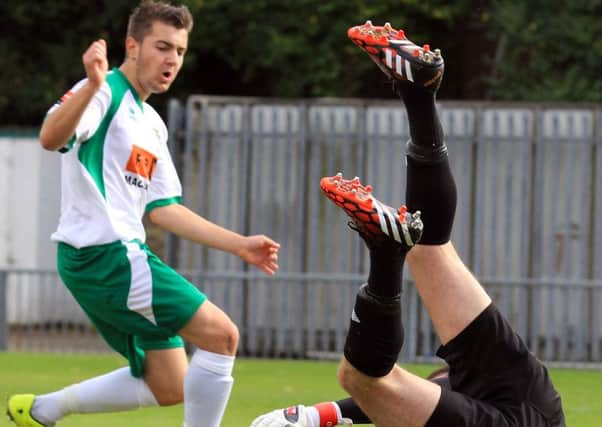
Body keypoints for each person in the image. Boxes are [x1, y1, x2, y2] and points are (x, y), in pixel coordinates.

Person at [250, 21, 565, 427]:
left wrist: (319, 414)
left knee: (431, 249)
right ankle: (384, 252)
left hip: (532, 392)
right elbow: (386, 394)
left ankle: (419, 93)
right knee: (362, 378)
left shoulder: (446, 390)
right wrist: (318, 416)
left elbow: (407, 400)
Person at [6, 2, 280, 427]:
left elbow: (164, 210)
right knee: (222, 335)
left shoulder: (151, 122)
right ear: (132, 46)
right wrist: (93, 84)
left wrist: (239, 244)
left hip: (109, 259)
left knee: (170, 383)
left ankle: (43, 409)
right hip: (106, 254)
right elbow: (49, 137)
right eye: (162, 46)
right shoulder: (103, 92)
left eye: (180, 51)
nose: (172, 59)